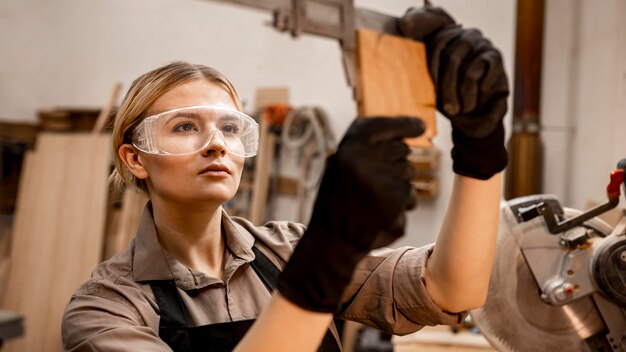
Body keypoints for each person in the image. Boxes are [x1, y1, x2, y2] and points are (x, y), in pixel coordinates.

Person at [61, 5, 509, 352]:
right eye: (184, 126)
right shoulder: (105, 309)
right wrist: (325, 258)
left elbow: (451, 289)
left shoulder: (288, 250)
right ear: (136, 158)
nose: (216, 144)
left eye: (230, 127)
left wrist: (480, 144)